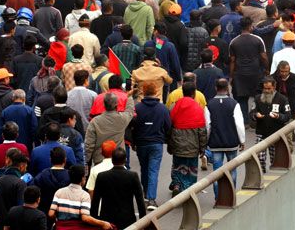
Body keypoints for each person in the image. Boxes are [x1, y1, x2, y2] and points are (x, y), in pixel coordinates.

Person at [131, 81, 169, 211]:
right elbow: (168, 126)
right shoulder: (162, 108)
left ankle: (146, 193)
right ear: (156, 92)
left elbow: (133, 126)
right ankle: (151, 198)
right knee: (153, 170)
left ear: (143, 92)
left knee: (144, 168)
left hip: (141, 142)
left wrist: (134, 142)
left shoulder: (137, 108)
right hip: (156, 142)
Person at [167, 81, 207, 195]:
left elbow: (169, 127)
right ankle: (188, 191)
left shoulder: (174, 106)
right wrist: (202, 148)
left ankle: (177, 184)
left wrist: (170, 144)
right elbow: (202, 131)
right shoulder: (198, 108)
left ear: (183, 92)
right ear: (194, 93)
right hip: (192, 146)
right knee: (191, 169)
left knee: (177, 166)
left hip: (177, 144)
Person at [89, 148, 145, 229]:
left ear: (112, 160)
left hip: (107, 219)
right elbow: (140, 200)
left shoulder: (102, 176)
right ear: (125, 160)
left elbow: (95, 200)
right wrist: (143, 221)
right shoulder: (133, 176)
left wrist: (95, 220)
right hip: (127, 218)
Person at [206, 78, 244, 195]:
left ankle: (218, 196)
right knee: (232, 169)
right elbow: (239, 124)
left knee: (217, 171)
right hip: (232, 142)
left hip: (215, 143)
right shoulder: (234, 104)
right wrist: (242, 140)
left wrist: (207, 141)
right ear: (228, 88)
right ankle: (231, 195)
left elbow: (208, 125)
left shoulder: (209, 104)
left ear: (215, 88)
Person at [48, 165, 111, 230]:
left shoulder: (59, 192)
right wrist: (103, 223)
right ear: (82, 178)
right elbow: (85, 218)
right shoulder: (84, 195)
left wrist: (58, 221)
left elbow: (51, 214)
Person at [228, 17, 267, 120]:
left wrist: (231, 76)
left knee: (242, 99)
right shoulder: (258, 40)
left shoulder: (234, 42)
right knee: (258, 97)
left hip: (240, 75)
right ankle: (258, 118)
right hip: (256, 73)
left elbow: (232, 60)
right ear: (250, 27)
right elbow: (263, 57)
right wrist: (267, 70)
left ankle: (245, 121)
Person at [251, 77, 291, 172]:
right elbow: (252, 112)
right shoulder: (257, 99)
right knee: (259, 158)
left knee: (275, 160)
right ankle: (262, 175)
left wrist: (278, 116)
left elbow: (287, 116)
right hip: (261, 133)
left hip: (276, 134)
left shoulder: (282, 99)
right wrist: (255, 115)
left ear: (274, 87)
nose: (266, 91)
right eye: (264, 88)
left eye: (269, 88)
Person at [84, 93, 134, 167]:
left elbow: (89, 144)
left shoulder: (95, 121)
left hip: (100, 160)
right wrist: (129, 96)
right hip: (118, 160)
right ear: (117, 105)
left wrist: (87, 161)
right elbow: (130, 111)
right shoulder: (123, 119)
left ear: (104, 105)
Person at [0, 152, 28, 230]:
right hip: (12, 225)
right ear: (21, 166)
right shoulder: (20, 183)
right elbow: (21, 208)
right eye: (26, 166)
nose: (26, 169)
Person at [32, 147, 69, 215]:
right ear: (65, 160)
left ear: (50, 160)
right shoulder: (71, 176)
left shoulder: (42, 176)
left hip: (45, 212)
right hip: (66, 214)